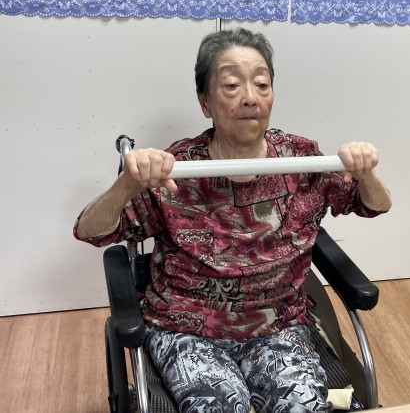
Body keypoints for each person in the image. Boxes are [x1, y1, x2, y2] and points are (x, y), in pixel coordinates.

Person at [75, 27, 391, 413]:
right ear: (205, 102)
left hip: (279, 327)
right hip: (186, 328)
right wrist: (126, 184)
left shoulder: (303, 159)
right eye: (231, 85)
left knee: (306, 407)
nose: (250, 98)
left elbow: (375, 205)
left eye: (262, 84)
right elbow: (89, 230)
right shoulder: (176, 169)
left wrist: (366, 172)